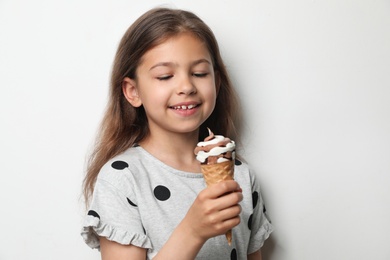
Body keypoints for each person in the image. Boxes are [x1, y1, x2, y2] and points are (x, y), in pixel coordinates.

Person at [81, 7, 273, 260]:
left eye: (199, 73)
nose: (186, 86)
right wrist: (192, 232)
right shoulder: (122, 180)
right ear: (132, 91)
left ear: (216, 83)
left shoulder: (242, 177)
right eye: (165, 76)